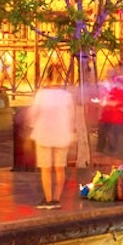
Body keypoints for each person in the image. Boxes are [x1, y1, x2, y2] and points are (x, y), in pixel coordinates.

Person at [28, 67, 76, 208]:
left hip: (44, 134)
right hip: (62, 135)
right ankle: (57, 199)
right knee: (59, 169)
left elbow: (33, 114)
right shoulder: (66, 96)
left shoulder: (41, 95)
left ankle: (48, 200)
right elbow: (71, 117)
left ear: (47, 78)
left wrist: (31, 126)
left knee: (46, 169)